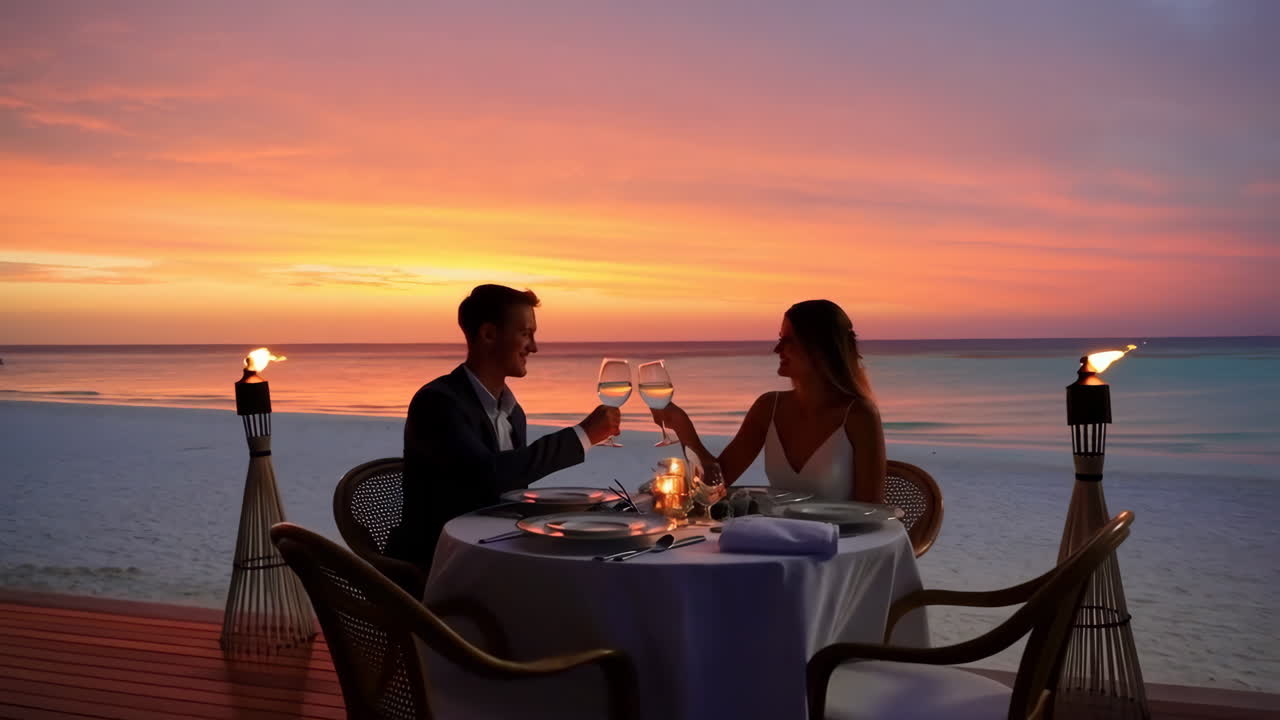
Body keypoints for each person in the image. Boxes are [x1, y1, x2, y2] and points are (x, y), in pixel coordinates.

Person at [386, 284, 620, 568]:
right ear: (488, 334)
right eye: (525, 334)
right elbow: (488, 476)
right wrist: (582, 436)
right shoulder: (438, 403)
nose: (533, 347)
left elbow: (512, 491)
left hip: (500, 547)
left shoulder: (512, 411)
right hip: (444, 560)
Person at [652, 300, 886, 503]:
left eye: (789, 341)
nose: (777, 349)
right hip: (780, 535)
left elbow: (872, 510)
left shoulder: (859, 415)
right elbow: (715, 484)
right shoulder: (769, 407)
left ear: (820, 348)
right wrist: (682, 425)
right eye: (779, 339)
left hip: (840, 537)